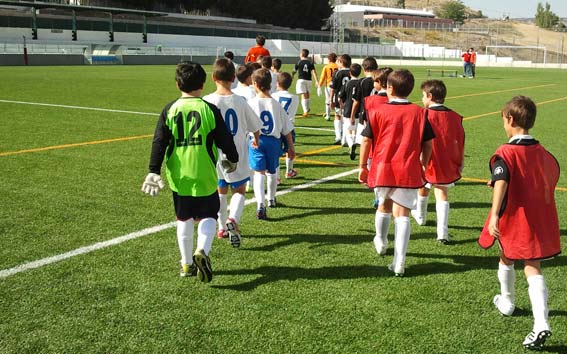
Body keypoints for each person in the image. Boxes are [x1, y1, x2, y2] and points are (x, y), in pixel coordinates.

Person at [141, 62, 238, 283]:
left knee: (183, 217)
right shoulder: (209, 109)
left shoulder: (170, 109)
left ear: (178, 84)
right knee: (209, 214)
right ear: (203, 84)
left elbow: (159, 142)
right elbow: (225, 139)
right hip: (203, 172)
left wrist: (153, 171)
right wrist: (233, 159)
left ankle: (186, 264)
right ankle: (202, 250)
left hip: (179, 175)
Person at [478, 96, 560, 350]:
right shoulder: (543, 152)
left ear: (510, 120)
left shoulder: (505, 152)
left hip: (515, 217)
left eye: (503, 119)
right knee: (532, 265)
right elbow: (550, 176)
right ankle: (537, 319)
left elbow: (502, 181)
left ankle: (510, 302)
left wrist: (493, 215)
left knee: (506, 256)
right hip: (541, 216)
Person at [358, 69, 434, 277]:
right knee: (403, 214)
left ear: (389, 88)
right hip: (407, 168)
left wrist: (362, 166)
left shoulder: (378, 111)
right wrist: (424, 164)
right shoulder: (420, 112)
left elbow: (366, 140)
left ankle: (381, 242)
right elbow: (428, 143)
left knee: (383, 205)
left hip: (383, 166)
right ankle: (399, 261)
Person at [203, 58, 262, 248]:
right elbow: (255, 126)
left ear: (213, 77)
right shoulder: (240, 101)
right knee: (239, 190)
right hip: (236, 153)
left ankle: (221, 227)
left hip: (214, 153)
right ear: (233, 79)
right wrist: (256, 139)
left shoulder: (207, 101)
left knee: (220, 189)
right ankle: (233, 220)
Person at [411, 80, 465, 244]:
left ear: (429, 96)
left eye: (423, 96)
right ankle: (442, 232)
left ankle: (420, 216)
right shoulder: (455, 116)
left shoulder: (424, 114)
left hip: (427, 159)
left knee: (423, 186)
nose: (422, 99)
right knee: (441, 191)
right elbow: (461, 139)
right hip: (447, 159)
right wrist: (460, 160)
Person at [247, 68, 295, 218]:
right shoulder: (275, 104)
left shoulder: (251, 103)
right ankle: (271, 199)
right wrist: (291, 147)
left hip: (256, 141)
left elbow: (245, 125)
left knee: (258, 172)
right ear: (271, 84)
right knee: (272, 171)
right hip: (274, 141)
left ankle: (260, 204)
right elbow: (287, 128)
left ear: (255, 83)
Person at [272, 72, 300, 179]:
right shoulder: (295, 98)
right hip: (288, 127)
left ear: (277, 83)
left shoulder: (273, 96)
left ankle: (277, 177)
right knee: (290, 149)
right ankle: (289, 171)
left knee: (276, 152)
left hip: (277, 127)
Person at [349, 57, 378, 160]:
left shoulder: (361, 82)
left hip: (365, 115)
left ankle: (364, 161)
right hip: (379, 115)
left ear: (364, 68)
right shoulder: (380, 80)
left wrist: (352, 116)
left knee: (365, 140)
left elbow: (356, 101)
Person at [339, 63, 361, 160]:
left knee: (347, 129)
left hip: (348, 109)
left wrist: (342, 105)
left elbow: (340, 97)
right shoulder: (361, 83)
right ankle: (354, 141)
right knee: (355, 128)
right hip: (359, 110)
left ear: (350, 73)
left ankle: (351, 144)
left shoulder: (347, 83)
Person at [329, 54, 352, 145]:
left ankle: (338, 136)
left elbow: (333, 88)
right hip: (349, 99)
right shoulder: (352, 71)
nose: (337, 63)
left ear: (341, 63)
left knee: (337, 116)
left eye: (338, 61)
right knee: (346, 118)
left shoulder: (337, 73)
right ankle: (345, 138)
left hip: (339, 98)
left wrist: (330, 100)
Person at [292, 49, 319, 117]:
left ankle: (305, 111)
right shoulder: (310, 62)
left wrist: (292, 76)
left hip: (301, 80)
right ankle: (307, 109)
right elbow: (313, 71)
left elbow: (294, 70)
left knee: (303, 95)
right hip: (309, 80)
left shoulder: (299, 62)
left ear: (302, 54)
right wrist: (316, 80)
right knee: (307, 94)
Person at [318, 52, 338, 121]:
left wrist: (319, 86)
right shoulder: (338, 66)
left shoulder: (326, 67)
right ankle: (337, 115)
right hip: (337, 86)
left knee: (328, 101)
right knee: (336, 100)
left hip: (329, 86)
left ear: (328, 59)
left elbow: (322, 77)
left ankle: (328, 115)